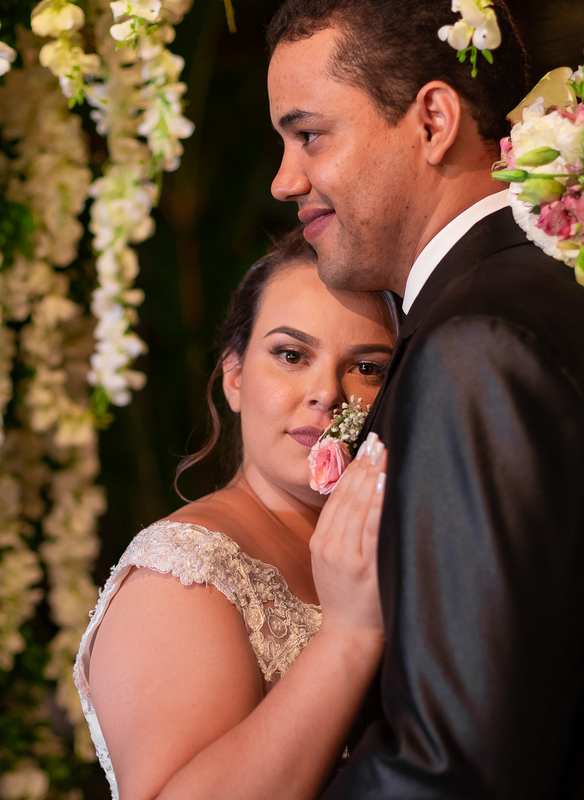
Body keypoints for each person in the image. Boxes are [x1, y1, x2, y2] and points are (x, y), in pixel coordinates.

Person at [266, 1, 584, 798]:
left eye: (309, 135)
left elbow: (456, 771)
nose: (284, 179)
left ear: (433, 121)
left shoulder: (478, 348)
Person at [74, 228, 401, 800]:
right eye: (291, 355)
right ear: (234, 376)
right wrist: (347, 638)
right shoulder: (183, 575)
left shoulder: (395, 542)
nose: (327, 393)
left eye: (368, 368)